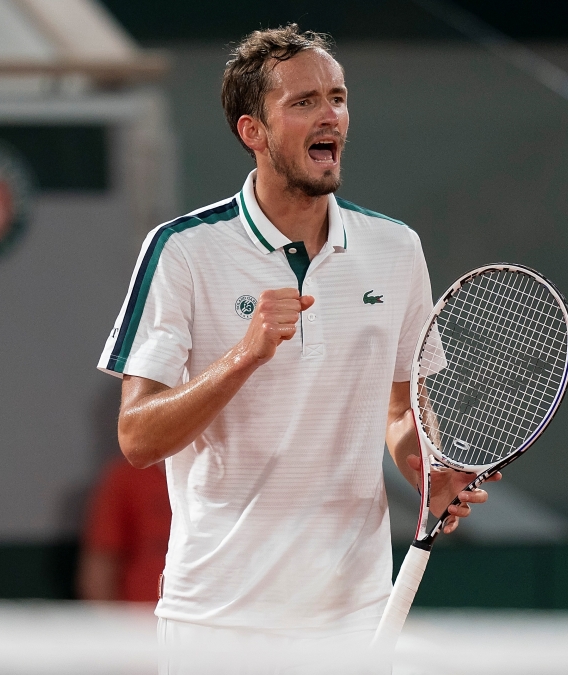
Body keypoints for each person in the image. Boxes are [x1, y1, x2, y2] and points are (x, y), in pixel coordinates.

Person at [96, 25, 496, 672]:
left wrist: (426, 468)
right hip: (216, 619)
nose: (331, 114)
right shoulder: (181, 252)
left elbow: (402, 410)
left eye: (337, 97)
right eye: (304, 101)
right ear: (252, 131)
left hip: (352, 616)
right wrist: (243, 355)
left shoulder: (396, 251)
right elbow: (137, 435)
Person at [76, 457, 171, 603]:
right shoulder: (126, 477)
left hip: (209, 616)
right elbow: (101, 563)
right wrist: (110, 622)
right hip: (139, 617)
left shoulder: (216, 478)